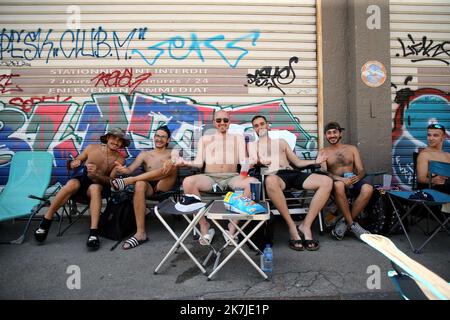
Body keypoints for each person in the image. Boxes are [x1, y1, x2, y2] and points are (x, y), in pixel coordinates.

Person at [34, 127, 129, 250]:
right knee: (72, 184)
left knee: (95, 188)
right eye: (113, 138)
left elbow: (112, 182)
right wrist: (75, 163)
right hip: (82, 182)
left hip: (99, 186)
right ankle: (46, 221)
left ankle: (93, 233)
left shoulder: (120, 159)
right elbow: (76, 161)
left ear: (122, 143)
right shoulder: (91, 148)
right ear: (107, 138)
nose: (116, 142)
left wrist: (97, 175)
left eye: (119, 140)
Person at [174, 109, 259, 245]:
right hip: (210, 176)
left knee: (252, 183)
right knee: (188, 182)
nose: (222, 123)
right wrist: (184, 162)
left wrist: (250, 162)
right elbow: (199, 162)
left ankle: (232, 226)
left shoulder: (238, 138)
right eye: (218, 120)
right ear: (214, 122)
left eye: (225, 120)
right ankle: (204, 226)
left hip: (232, 176)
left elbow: (243, 160)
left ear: (229, 122)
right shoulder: (205, 139)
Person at [249, 115, 333, 251]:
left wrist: (315, 161)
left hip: (292, 173)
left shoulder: (281, 142)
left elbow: (297, 162)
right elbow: (253, 160)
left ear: (268, 125)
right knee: (270, 180)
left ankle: (306, 225)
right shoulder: (253, 145)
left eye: (262, 124)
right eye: (256, 125)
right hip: (274, 176)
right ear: (254, 129)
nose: (260, 127)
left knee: (327, 181)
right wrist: (260, 161)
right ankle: (292, 226)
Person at [109, 125, 177, 250]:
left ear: (168, 140)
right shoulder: (144, 154)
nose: (159, 139)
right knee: (140, 184)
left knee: (172, 165)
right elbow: (130, 169)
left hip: (164, 184)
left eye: (163, 137)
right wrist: (124, 170)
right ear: (154, 137)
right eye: (157, 136)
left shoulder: (173, 152)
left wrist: (171, 161)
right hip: (149, 186)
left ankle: (129, 181)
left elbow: (177, 160)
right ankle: (140, 233)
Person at [319, 121, 372, 241]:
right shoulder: (323, 152)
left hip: (353, 180)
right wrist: (341, 179)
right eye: (328, 133)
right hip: (336, 182)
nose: (332, 135)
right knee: (339, 185)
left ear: (340, 133)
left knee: (368, 188)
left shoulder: (352, 148)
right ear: (325, 135)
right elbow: (324, 172)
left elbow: (361, 170)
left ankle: (345, 222)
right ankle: (354, 226)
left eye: (334, 132)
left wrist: (357, 178)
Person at [416, 123, 450, 194]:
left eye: (435, 135)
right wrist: (433, 180)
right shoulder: (425, 154)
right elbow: (421, 178)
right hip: (434, 192)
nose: (431, 138)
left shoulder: (448, 155)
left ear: (443, 137)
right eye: (429, 135)